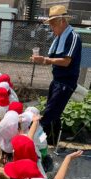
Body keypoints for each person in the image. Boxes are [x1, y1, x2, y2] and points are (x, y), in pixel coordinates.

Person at [31, 5, 82, 145]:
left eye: (53, 25)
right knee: (55, 114)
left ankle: (35, 140)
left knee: (49, 114)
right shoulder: (59, 38)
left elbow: (66, 61)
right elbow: (55, 60)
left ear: (62, 21)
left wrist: (46, 60)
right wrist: (42, 60)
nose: (52, 28)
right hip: (57, 81)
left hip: (66, 83)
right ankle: (50, 143)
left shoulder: (73, 37)